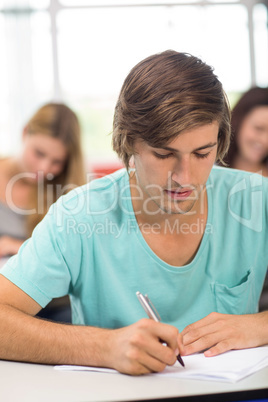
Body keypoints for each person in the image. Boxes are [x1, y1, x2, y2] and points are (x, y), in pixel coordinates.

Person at [0, 50, 267, 376]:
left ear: (220, 142)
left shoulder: (255, 199)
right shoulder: (78, 215)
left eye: (201, 153)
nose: (184, 178)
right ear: (130, 144)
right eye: (163, 154)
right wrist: (103, 347)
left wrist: (261, 326)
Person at [0, 102, 85, 321]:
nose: (45, 168)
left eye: (57, 162)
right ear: (25, 132)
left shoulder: (66, 192)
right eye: (39, 153)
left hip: (54, 305)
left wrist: (20, 248)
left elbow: (76, 259)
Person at [219, 87, 268, 311]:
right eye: (258, 128)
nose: (265, 140)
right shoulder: (211, 176)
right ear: (237, 123)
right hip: (224, 285)